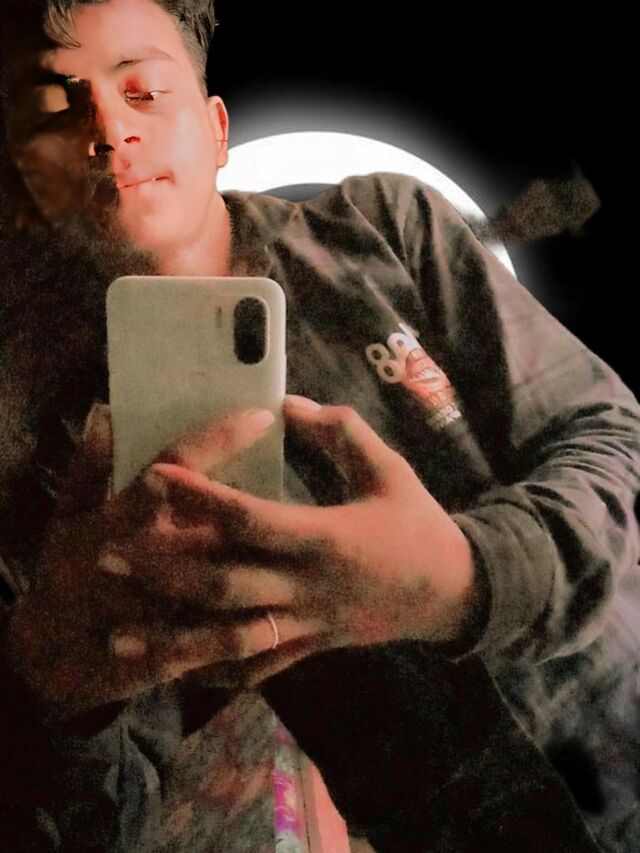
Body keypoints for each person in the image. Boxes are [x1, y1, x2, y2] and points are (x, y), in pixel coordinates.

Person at [0, 0, 638, 850]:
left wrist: (466, 576)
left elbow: (605, 433)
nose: (109, 133)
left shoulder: (386, 225)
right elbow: (124, 809)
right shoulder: (71, 470)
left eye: (144, 90)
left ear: (217, 130)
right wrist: (51, 699)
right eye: (56, 112)